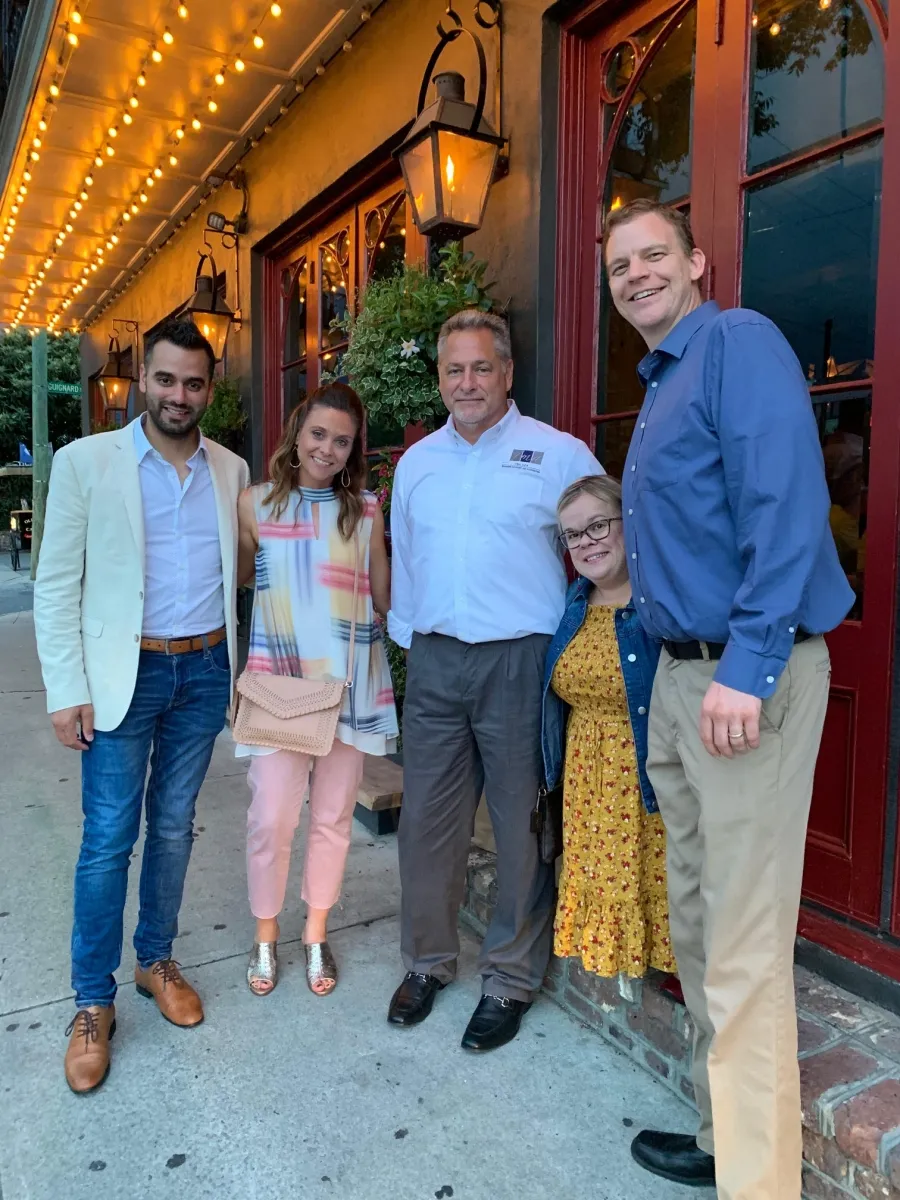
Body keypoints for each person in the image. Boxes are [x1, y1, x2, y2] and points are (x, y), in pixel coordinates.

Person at [604, 198, 853, 1198]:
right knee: (701, 925)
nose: (636, 274)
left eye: (653, 254)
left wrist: (747, 666)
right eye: (619, 265)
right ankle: (725, 1140)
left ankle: (759, 1183)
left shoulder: (735, 343)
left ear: (698, 261)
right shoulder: (662, 382)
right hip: (681, 678)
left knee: (742, 946)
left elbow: (785, 507)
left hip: (745, 678)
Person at [34, 318, 250, 1094]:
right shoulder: (85, 462)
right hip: (122, 676)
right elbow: (55, 583)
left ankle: (155, 959)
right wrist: (67, 689)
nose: (178, 395)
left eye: (193, 383)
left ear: (209, 389)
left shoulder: (231, 469)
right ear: (144, 382)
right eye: (165, 380)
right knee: (107, 839)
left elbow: (242, 573)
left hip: (203, 671)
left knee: (174, 826)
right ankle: (92, 1001)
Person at [387, 309, 603, 1052]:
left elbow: (605, 545)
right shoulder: (417, 464)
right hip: (436, 659)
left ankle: (510, 976)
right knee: (425, 824)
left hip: (521, 661)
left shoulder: (559, 454)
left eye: (482, 367)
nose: (468, 382)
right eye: (455, 369)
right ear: (439, 377)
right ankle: (427, 962)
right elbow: (407, 561)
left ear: (507, 373)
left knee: (521, 827)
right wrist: (412, 645)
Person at [236, 383, 397, 998]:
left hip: (349, 684)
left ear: (354, 450)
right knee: (270, 819)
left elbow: (384, 597)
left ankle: (315, 933)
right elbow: (241, 579)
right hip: (280, 684)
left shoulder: (366, 511)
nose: (328, 449)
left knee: (332, 820)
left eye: (343, 441)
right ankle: (265, 935)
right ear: (297, 433)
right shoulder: (255, 504)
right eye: (319, 434)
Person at [541, 475, 674, 980]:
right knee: (599, 873)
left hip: (643, 770)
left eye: (598, 525)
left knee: (646, 872)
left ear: (629, 524)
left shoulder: (659, 606)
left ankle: (668, 965)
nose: (586, 542)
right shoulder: (574, 602)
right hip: (585, 774)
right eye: (573, 534)